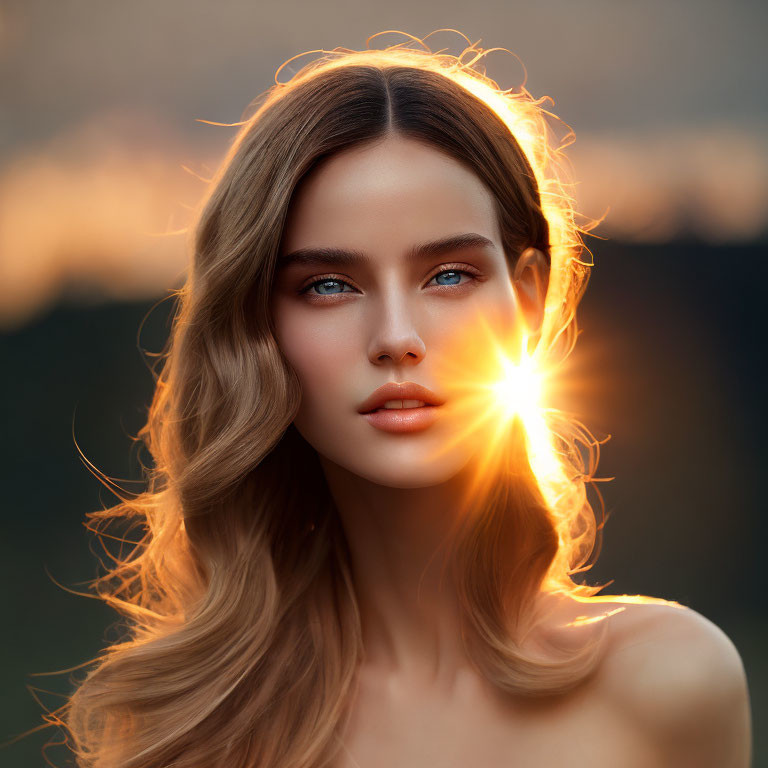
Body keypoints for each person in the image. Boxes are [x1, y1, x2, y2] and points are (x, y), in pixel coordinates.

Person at [53, 34, 750, 768]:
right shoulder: (195, 727)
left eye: (448, 275)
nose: (396, 337)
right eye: (328, 285)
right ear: (256, 329)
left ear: (530, 297)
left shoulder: (670, 682)